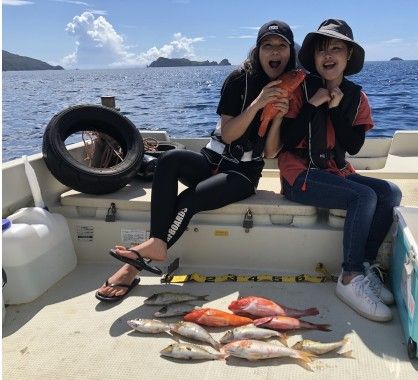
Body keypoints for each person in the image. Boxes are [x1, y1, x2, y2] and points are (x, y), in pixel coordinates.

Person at [95, 20, 296, 301]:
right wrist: (258, 103)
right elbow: (227, 133)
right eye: (268, 45)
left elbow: (272, 152)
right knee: (169, 160)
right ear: (258, 50)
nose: (274, 51)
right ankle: (156, 244)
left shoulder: (293, 87)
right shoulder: (239, 80)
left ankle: (133, 267)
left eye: (281, 46)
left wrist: (278, 118)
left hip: (242, 175)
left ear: (290, 51)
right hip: (212, 159)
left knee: (190, 199)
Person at [270, 19, 402, 322]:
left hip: (336, 173)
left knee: (390, 192)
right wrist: (314, 105)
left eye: (336, 49)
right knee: (364, 197)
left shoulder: (357, 98)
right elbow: (286, 141)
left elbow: (353, 146)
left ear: (348, 57)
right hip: (299, 176)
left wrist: (336, 111)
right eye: (322, 50)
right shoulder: (300, 90)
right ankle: (349, 278)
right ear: (314, 58)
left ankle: (364, 264)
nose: (328, 56)